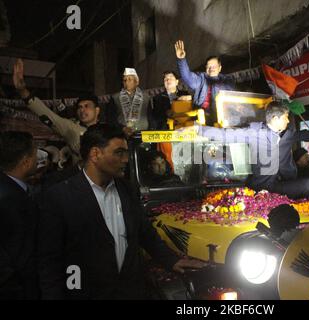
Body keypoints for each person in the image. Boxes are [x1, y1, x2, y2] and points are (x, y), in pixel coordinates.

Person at [38, 124, 205, 299]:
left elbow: (145, 233)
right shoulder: (60, 196)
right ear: (95, 154)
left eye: (126, 153)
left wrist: (172, 260)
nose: (126, 159)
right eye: (119, 152)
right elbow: (49, 260)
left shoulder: (127, 189)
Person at [190, 101, 309, 199]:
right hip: (265, 186)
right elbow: (226, 135)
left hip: (285, 181)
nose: (288, 121)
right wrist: (198, 129)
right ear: (275, 118)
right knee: (308, 185)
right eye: (286, 118)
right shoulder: (255, 133)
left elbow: (305, 135)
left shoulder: (288, 134)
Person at [13, 59, 100, 163]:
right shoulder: (71, 128)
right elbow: (47, 114)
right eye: (80, 107)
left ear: (97, 110)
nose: (82, 110)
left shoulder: (107, 130)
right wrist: (23, 91)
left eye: (87, 106)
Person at [0, 131, 39, 299]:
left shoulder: (13, 190)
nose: (38, 159)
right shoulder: (9, 198)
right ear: (26, 162)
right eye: (36, 154)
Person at [175, 40, 235, 125]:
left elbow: (232, 99)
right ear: (206, 68)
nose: (211, 69)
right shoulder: (201, 78)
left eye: (214, 66)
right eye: (209, 66)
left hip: (221, 118)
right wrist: (181, 60)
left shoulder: (227, 81)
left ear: (220, 68)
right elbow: (188, 77)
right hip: (201, 117)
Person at [106, 68, 153, 137]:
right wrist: (122, 128)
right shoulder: (115, 98)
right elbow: (111, 118)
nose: (127, 82)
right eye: (125, 80)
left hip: (143, 134)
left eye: (130, 79)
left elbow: (150, 116)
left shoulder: (146, 97)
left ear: (136, 82)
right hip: (122, 135)